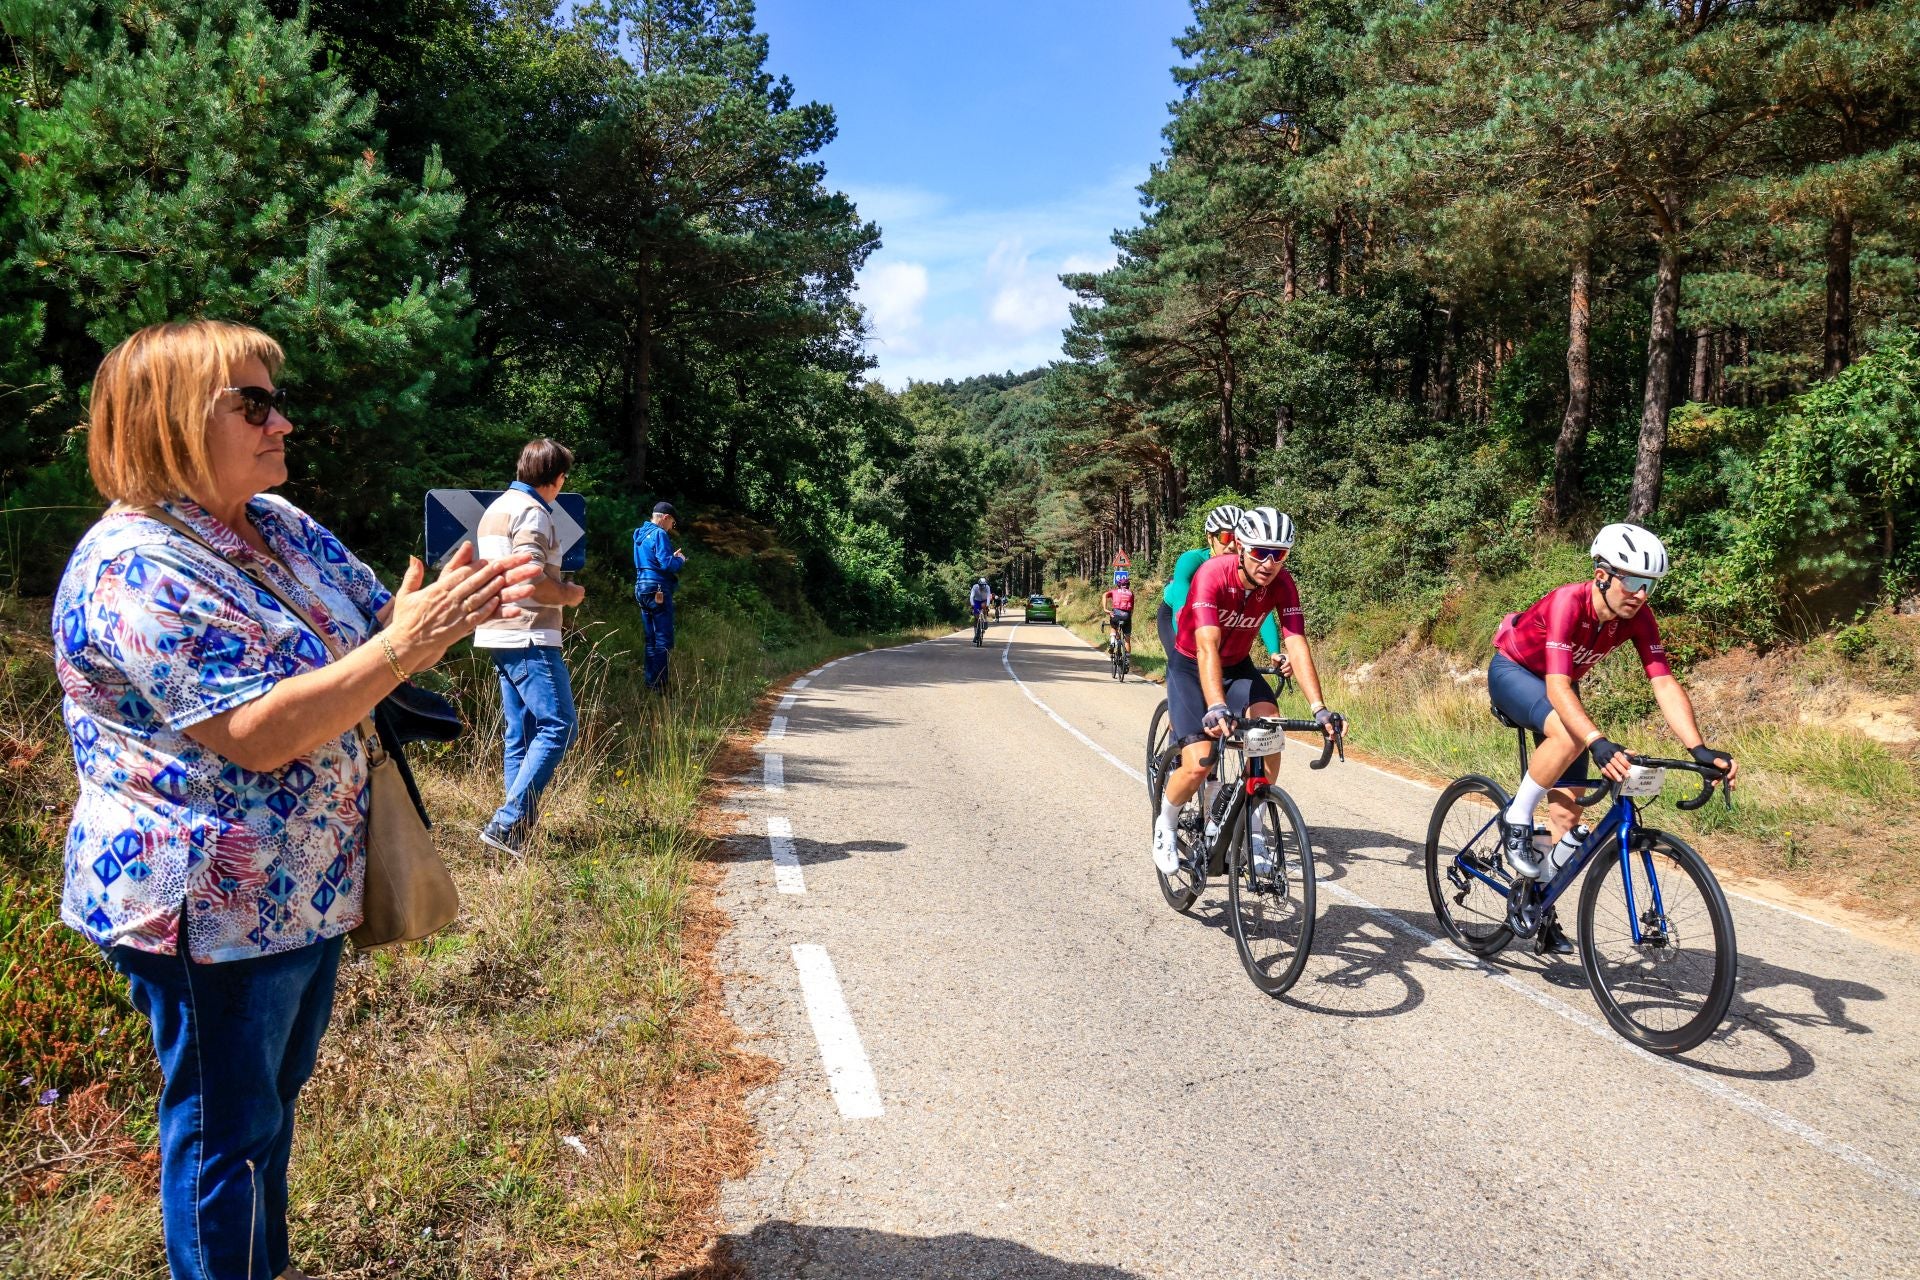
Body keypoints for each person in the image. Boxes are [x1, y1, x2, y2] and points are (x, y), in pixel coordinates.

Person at [53, 319, 540, 1280]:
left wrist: (421, 614)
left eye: (277, 401)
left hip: (301, 889)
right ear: (170, 420)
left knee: (266, 1116)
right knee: (225, 1135)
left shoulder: (277, 524)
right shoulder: (135, 565)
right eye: (255, 403)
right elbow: (259, 732)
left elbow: (369, 627)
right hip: (208, 909)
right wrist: (408, 642)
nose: (285, 424)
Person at [1488, 522, 1737, 954]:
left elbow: (1663, 682)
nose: (1641, 594)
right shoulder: (1569, 601)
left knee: (1568, 817)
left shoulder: (1639, 618)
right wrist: (1597, 741)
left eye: (1650, 586)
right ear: (1602, 574)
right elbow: (1557, 687)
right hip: (1515, 672)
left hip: (1559, 686)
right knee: (1574, 736)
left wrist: (1697, 748)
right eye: (1635, 582)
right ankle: (1516, 816)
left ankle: (1538, 908)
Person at [1152, 508, 1342, 875]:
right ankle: (1167, 823)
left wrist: (1319, 707)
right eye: (1259, 552)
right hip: (1192, 664)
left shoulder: (1282, 583)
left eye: (1279, 554)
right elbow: (1206, 646)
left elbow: (1296, 641)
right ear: (1239, 545)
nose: (1269, 563)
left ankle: (1253, 827)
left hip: (1238, 666)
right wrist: (1218, 705)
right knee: (1200, 762)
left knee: (1269, 728)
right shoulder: (1210, 574)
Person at [475, 439, 587, 856]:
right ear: (557, 479)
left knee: (520, 735)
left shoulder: (497, 509)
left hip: (498, 630)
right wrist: (569, 593)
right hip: (529, 633)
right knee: (559, 725)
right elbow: (531, 578)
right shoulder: (533, 513)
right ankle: (506, 825)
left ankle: (515, 835)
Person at [1157, 503, 1287, 677]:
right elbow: (1182, 608)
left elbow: (1261, 609)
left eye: (1238, 538)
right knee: (1189, 667)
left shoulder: (1250, 570)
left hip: (1219, 617)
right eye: (1226, 537)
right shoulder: (1191, 561)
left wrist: (1274, 652)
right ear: (1210, 538)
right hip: (1175, 614)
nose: (1232, 545)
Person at [632, 501, 687, 691]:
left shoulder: (639, 534)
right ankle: (661, 686)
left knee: (651, 639)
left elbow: (652, 560)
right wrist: (679, 560)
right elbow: (666, 565)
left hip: (641, 586)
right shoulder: (660, 533)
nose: (672, 527)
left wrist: (670, 556)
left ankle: (650, 683)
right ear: (665, 518)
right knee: (663, 639)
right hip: (658, 589)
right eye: (673, 522)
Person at [1102, 570, 1136, 657]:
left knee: (1113, 626)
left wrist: (1106, 609)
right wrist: (1129, 617)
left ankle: (1112, 642)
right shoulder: (1131, 594)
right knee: (1127, 640)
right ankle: (1127, 659)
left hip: (1116, 614)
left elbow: (1105, 594)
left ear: (1119, 585)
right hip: (1127, 615)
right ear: (1128, 585)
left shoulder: (1114, 591)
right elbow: (1132, 608)